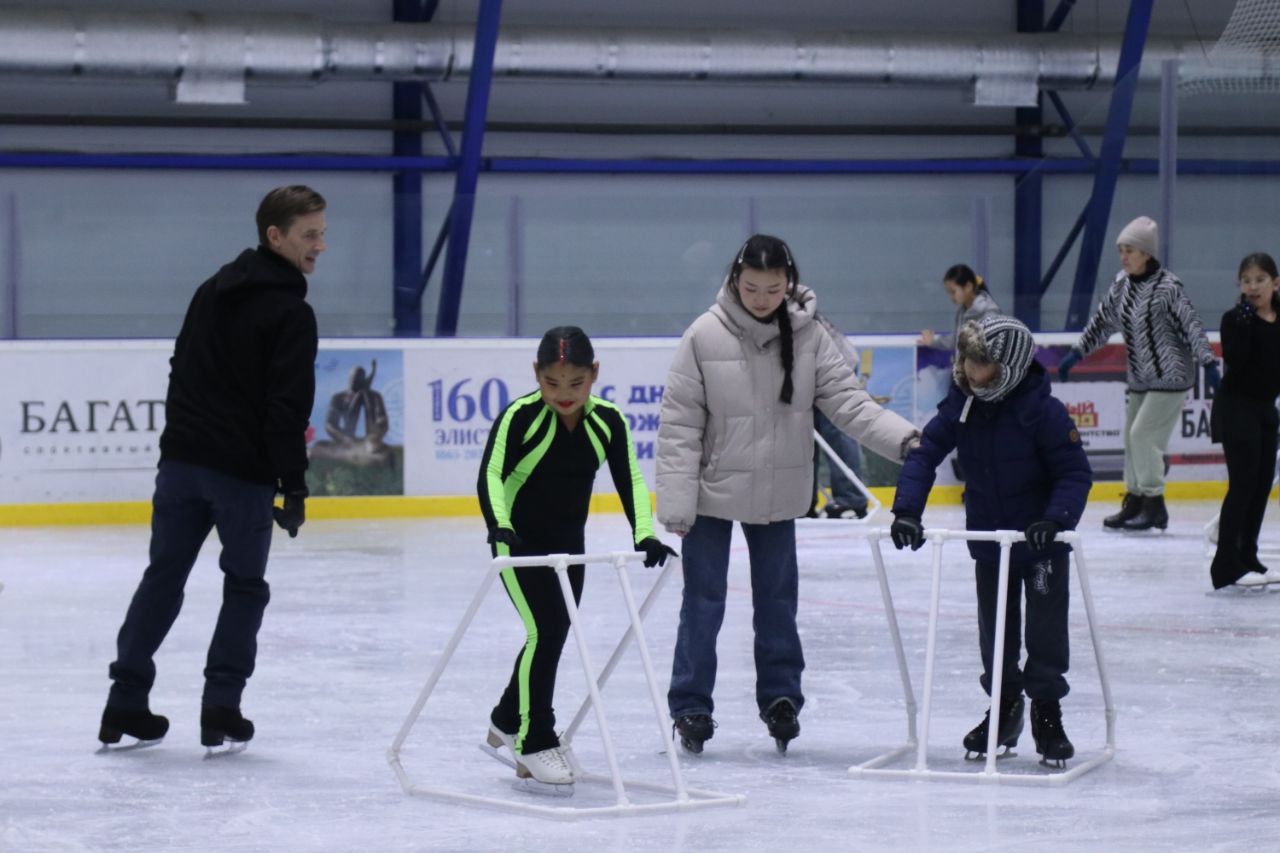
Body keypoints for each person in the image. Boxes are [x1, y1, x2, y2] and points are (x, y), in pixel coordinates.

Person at [656, 234, 920, 755]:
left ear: (789, 283)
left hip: (778, 491)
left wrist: (905, 440)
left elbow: (850, 404)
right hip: (711, 493)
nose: (761, 298)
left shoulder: (808, 335)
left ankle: (781, 698)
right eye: (751, 288)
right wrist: (677, 501)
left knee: (778, 603)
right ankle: (691, 705)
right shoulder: (704, 335)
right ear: (735, 280)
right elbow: (679, 426)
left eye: (773, 289)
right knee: (703, 603)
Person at [99, 185, 324, 753]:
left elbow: (181, 368)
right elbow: (286, 408)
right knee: (245, 587)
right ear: (275, 236)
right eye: (310, 235)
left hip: (181, 466)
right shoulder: (291, 313)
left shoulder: (210, 290)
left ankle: (125, 701)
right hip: (241, 476)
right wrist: (293, 484)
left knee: (163, 578)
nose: (320, 245)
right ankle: (220, 707)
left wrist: (180, 445)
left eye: (321, 233)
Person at [478, 326, 677, 790]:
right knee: (543, 631)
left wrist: (644, 534)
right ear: (536, 375)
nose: (564, 394)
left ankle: (508, 717)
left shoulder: (607, 421)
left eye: (576, 383)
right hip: (517, 543)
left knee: (554, 633)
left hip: (569, 545)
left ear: (594, 374)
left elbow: (628, 476)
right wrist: (498, 523)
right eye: (552, 383)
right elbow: (491, 472)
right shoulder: (520, 418)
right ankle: (534, 738)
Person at [891, 316, 1092, 767]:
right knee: (996, 632)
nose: (966, 369)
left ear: (1007, 367)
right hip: (989, 544)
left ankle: (1046, 710)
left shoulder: (1042, 412)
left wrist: (1054, 520)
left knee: (1045, 633)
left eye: (978, 362)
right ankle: (1005, 706)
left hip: (1040, 546)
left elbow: (1074, 472)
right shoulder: (962, 405)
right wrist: (906, 510)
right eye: (965, 359)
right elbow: (925, 456)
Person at [1058, 216, 1218, 531]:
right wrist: (1077, 352)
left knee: (1143, 435)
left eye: (1129, 249)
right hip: (1140, 377)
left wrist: (1209, 363)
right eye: (1121, 250)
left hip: (1171, 377)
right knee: (1131, 440)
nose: (1124, 256)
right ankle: (1134, 500)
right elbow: (1102, 322)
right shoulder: (1121, 285)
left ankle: (1154, 504)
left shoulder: (1168, 287)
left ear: (1146, 253)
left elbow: (1191, 326)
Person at [1209, 253, 1280, 589]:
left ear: (1275, 283)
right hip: (1236, 408)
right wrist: (1245, 323)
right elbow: (1236, 363)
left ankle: (1247, 556)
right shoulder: (1233, 319)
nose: (1253, 287)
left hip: (1265, 408)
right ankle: (1224, 566)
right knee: (1243, 484)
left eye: (1260, 279)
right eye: (1246, 280)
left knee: (1262, 484)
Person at [809, 312, 869, 520]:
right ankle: (804, 501)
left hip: (836, 369)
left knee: (837, 431)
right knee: (803, 436)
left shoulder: (790, 310)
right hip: (816, 370)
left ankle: (851, 499)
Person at [918, 264, 1003, 351]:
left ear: (968, 287)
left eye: (953, 292)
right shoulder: (963, 311)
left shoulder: (989, 313)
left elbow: (993, 349)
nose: (951, 297)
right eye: (948, 292)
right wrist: (933, 341)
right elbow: (958, 340)